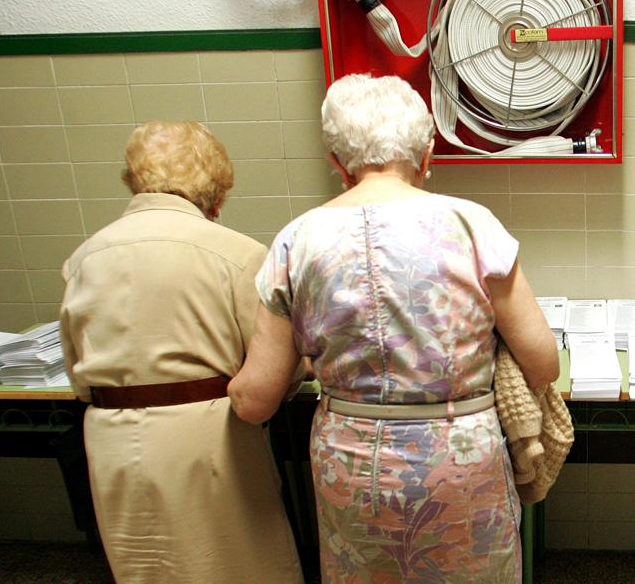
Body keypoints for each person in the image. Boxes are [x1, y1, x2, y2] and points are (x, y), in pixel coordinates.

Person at [229, 74, 559, 582]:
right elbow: (542, 361)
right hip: (460, 456)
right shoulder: (473, 224)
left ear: (338, 164)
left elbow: (256, 399)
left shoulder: (295, 241)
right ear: (427, 155)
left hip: (353, 462)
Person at [59, 121, 302, 584]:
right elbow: (275, 371)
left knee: (146, 566)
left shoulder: (85, 257)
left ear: (134, 179)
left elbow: (79, 378)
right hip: (211, 439)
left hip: (111, 440)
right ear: (216, 191)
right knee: (238, 564)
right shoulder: (238, 254)